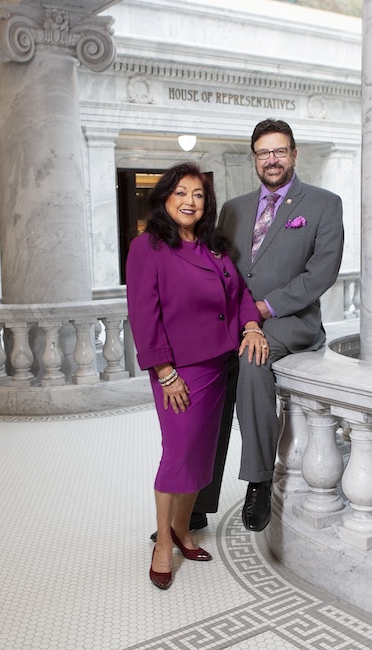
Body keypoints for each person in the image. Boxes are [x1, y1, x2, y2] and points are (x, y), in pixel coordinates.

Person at [125, 162, 268, 590]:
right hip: (179, 370)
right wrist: (165, 372)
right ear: (165, 198)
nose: (190, 201)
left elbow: (240, 294)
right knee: (178, 454)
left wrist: (252, 325)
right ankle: (163, 545)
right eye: (181, 193)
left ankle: (184, 529)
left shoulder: (214, 246)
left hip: (219, 364)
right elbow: (143, 314)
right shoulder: (147, 247)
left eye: (199, 195)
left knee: (201, 457)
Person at [214, 118, 344, 532]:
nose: (271, 160)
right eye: (263, 152)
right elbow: (219, 271)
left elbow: (320, 273)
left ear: (293, 154)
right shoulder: (233, 209)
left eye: (279, 151)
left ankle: (258, 479)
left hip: (292, 321)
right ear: (254, 158)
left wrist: (264, 309)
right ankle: (197, 498)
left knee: (252, 362)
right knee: (204, 376)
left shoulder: (324, 203)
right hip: (237, 319)